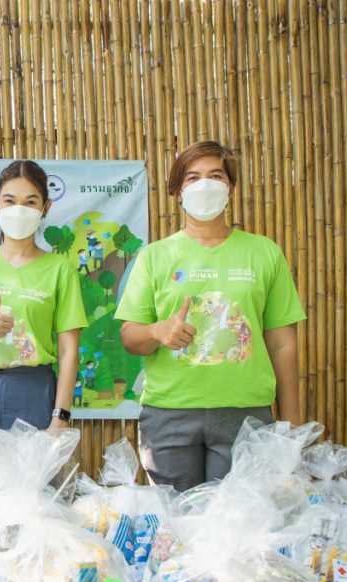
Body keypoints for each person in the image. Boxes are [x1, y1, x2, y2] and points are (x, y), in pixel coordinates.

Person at [116, 141, 305, 491]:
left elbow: (282, 343)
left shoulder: (264, 253)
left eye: (215, 176)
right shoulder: (154, 257)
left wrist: (290, 423)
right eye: (193, 177)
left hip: (245, 414)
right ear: (178, 192)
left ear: (230, 187)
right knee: (178, 524)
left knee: (238, 526)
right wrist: (159, 332)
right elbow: (130, 337)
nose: (205, 185)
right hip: (170, 414)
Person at [0, 160, 88, 475]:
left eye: (30, 202)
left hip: (34, 391)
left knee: (31, 495)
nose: (18, 209)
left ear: (45, 207)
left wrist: (59, 417)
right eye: (10, 200)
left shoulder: (59, 269)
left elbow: (68, 351)